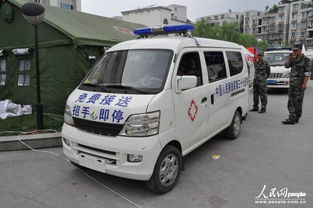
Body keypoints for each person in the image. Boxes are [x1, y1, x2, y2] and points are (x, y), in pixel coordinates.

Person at [282, 45, 311, 125]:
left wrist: (304, 84)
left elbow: (307, 73)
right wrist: (289, 58)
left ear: (300, 50)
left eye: (296, 50)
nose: (294, 52)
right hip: (292, 84)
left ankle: (297, 117)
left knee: (298, 102)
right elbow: (286, 66)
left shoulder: (306, 60)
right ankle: (292, 118)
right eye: (293, 50)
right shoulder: (293, 59)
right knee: (290, 101)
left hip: (300, 85)